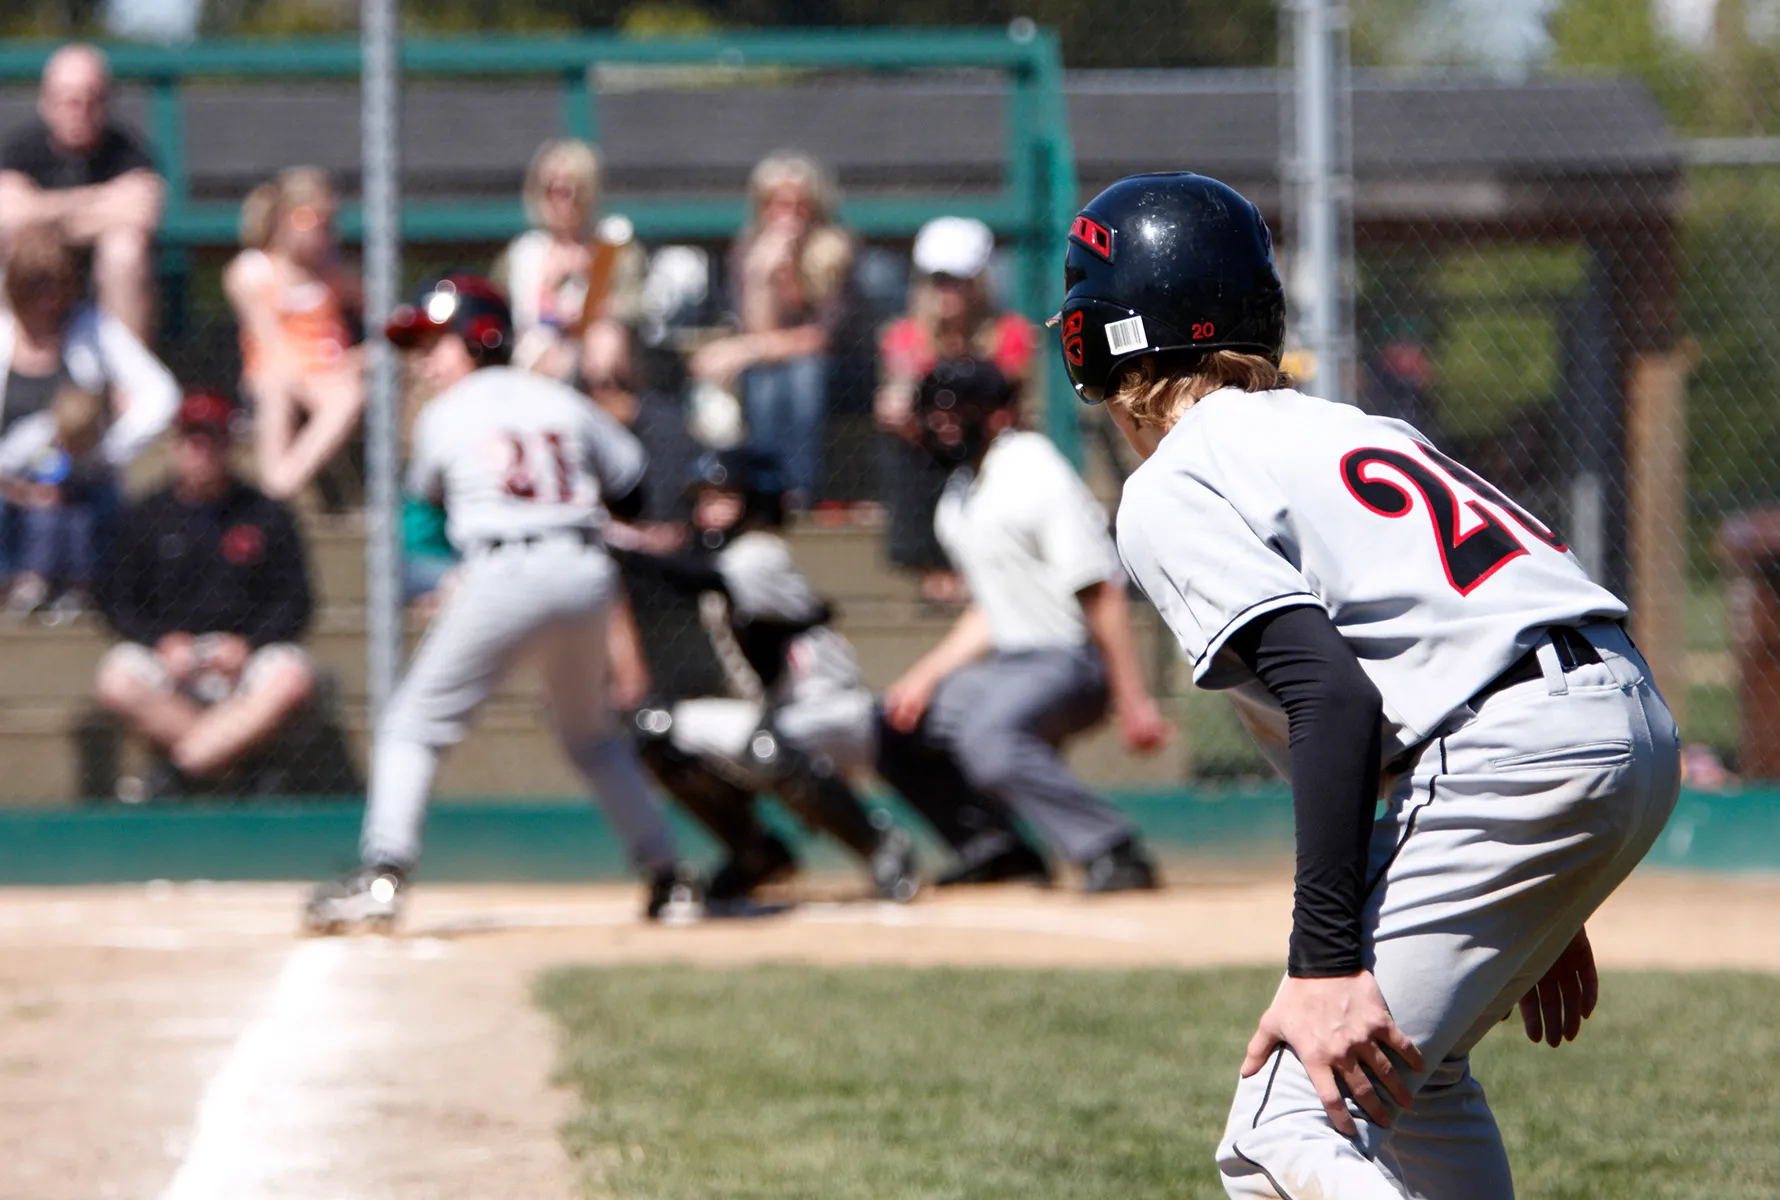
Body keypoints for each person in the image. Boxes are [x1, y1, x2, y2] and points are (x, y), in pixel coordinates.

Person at [1059, 172, 1681, 1198]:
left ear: (1102, 344)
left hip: (1505, 742)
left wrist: (1321, 969)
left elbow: (1333, 700)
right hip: (1619, 717)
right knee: (1397, 1079)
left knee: (1283, 1132)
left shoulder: (1170, 485)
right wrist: (1545, 899)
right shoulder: (1345, 427)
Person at [303, 275, 697, 934]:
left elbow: (427, 507)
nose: (426, 359)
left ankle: (383, 875)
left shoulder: (443, 415)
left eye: (439, 343)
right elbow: (630, 484)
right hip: (583, 573)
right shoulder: (560, 399)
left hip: (505, 570)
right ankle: (669, 876)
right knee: (590, 736)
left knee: (411, 727)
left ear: (482, 337)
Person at [879, 357, 1171, 892]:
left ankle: (1114, 849)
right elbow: (991, 610)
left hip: (1071, 660)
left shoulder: (1032, 468)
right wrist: (922, 677)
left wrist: (1133, 698)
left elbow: (1100, 589)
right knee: (893, 725)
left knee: (987, 738)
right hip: (1008, 664)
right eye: (934, 416)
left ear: (996, 415)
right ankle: (997, 848)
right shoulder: (960, 491)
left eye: (957, 413)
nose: (944, 425)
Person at [619, 447, 920, 908]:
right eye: (704, 500)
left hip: (834, 713)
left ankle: (881, 845)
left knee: (765, 744)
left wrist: (617, 546)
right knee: (656, 730)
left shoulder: (760, 552)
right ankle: (756, 853)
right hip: (779, 717)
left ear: (754, 502)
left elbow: (693, 575)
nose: (709, 512)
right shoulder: (729, 554)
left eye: (724, 499)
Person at [93, 391, 318, 793]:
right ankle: (232, 766)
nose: (201, 450)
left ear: (229, 443)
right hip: (172, 656)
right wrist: (161, 642)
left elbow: (295, 602)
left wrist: (249, 644)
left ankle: (181, 770)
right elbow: (116, 602)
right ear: (175, 444)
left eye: (211, 438)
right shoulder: (144, 516)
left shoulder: (265, 513)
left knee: (291, 678)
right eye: (191, 439)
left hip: (243, 654)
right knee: (116, 680)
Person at [0, 224, 179, 580]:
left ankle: (85, 592)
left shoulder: (94, 329)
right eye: (35, 289)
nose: (47, 302)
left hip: (81, 482)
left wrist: (104, 454)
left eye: (55, 289)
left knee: (89, 510)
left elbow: (161, 395)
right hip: (7, 485)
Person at [877, 216, 1038, 606]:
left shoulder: (1011, 332)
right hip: (931, 449)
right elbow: (894, 396)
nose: (946, 292)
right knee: (906, 451)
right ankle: (931, 565)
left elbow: (1012, 403)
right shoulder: (904, 334)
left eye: (956, 280)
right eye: (937, 280)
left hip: (987, 447)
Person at [690, 151, 853, 511]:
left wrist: (742, 350)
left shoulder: (836, 250)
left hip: (840, 371)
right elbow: (759, 331)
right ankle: (765, 486)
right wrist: (761, 277)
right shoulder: (749, 252)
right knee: (765, 379)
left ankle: (798, 492)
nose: (789, 215)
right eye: (778, 204)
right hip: (772, 366)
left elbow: (820, 338)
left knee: (801, 375)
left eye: (800, 205)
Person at [0, 44, 164, 341]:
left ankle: (125, 378)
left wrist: (42, 211)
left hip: (99, 280)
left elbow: (143, 211)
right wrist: (103, 202)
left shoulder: (129, 151)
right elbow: (8, 215)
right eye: (69, 101)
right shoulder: (19, 149)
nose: (81, 111)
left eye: (92, 100)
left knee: (124, 250)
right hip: (32, 271)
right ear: (46, 102)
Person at [223, 166, 365, 502]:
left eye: (329, 223)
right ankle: (276, 487)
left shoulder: (334, 275)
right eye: (311, 220)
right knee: (277, 385)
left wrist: (359, 358)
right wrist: (300, 373)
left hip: (330, 371)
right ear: (282, 218)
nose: (321, 233)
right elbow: (271, 344)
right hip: (277, 370)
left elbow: (387, 318)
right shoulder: (252, 270)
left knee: (347, 395)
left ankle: (281, 484)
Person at [492, 139, 643, 390]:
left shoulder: (613, 247)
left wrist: (593, 287)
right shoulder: (521, 254)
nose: (562, 202)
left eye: (571, 191)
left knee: (604, 341)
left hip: (593, 369)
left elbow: (637, 309)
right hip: (530, 367)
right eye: (552, 190)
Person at [0, 383, 106, 620]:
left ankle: (79, 588)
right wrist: (29, 494)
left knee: (82, 522)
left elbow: (103, 476)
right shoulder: (33, 435)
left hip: (74, 501)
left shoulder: (97, 441)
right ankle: (31, 584)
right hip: (24, 501)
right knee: (44, 521)